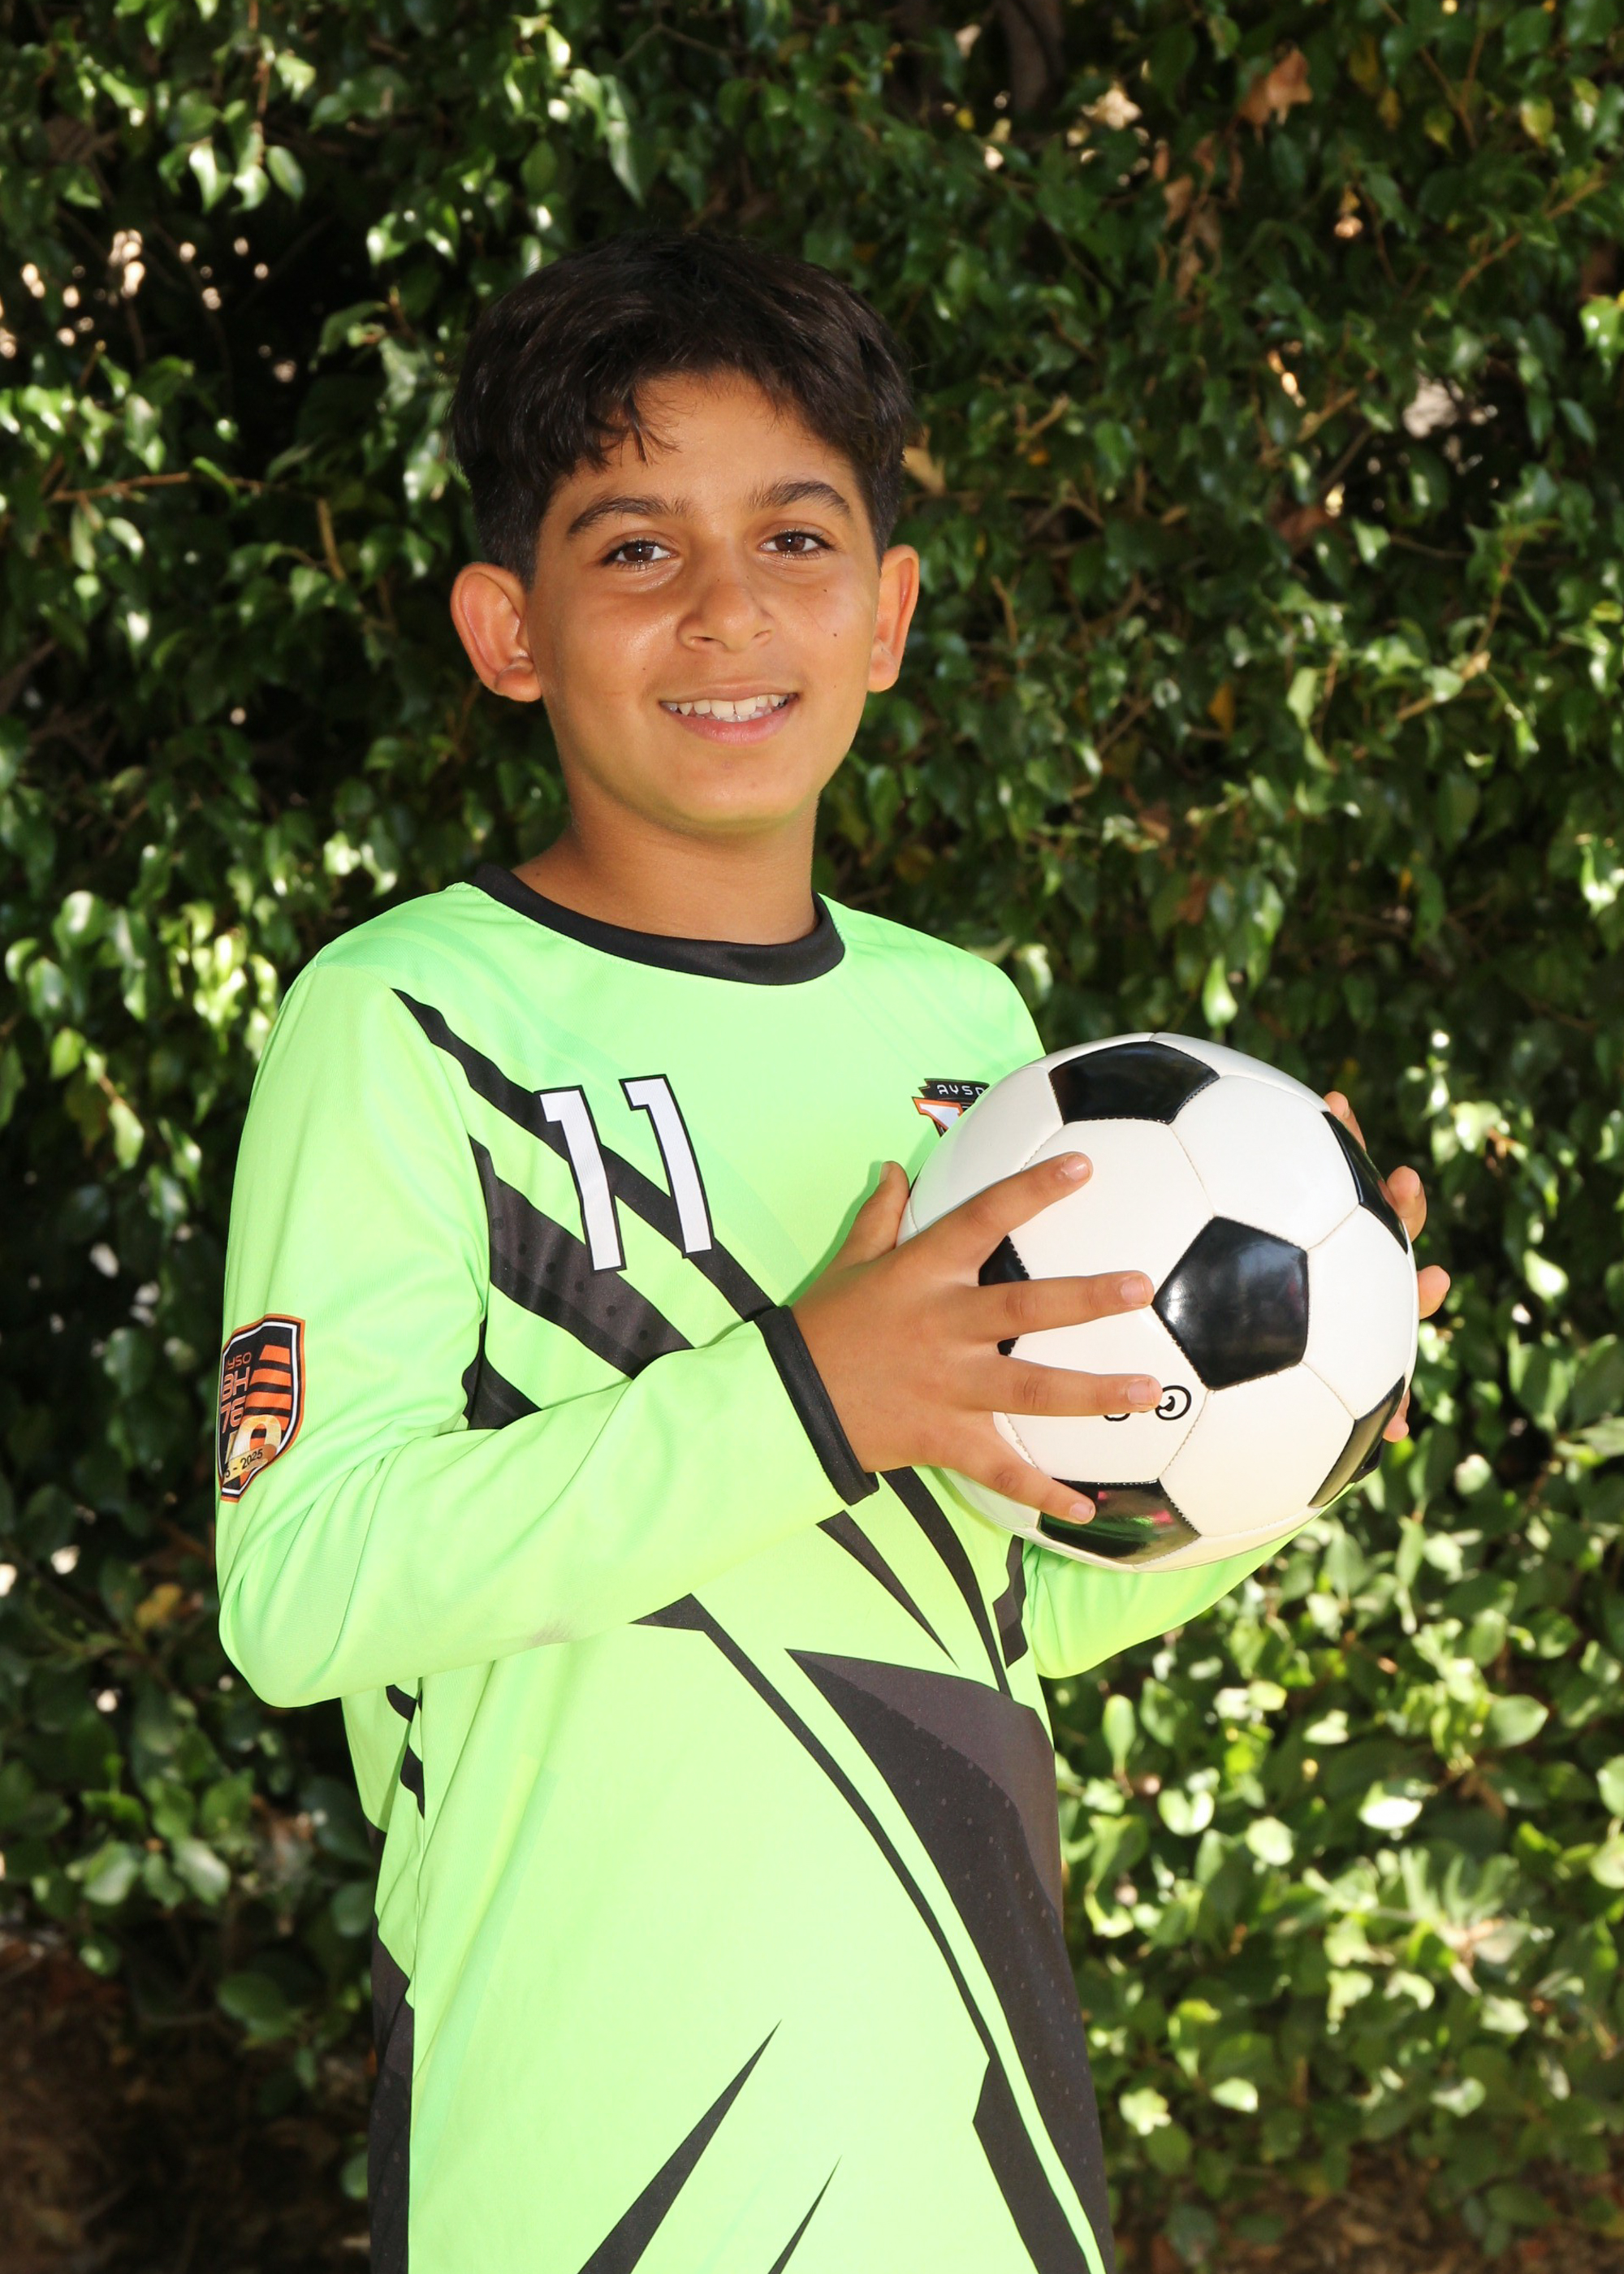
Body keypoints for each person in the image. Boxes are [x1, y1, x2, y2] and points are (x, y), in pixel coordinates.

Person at [215, 231, 1447, 2274]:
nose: (726, 608)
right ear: (507, 629)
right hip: (584, 2159)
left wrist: (1290, 1428)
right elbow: (302, 1585)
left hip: (969, 2147)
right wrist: (805, 1392)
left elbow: (991, 1606)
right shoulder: (405, 1018)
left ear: (884, 614)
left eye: (795, 537)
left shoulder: (966, 1029)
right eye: (635, 549)